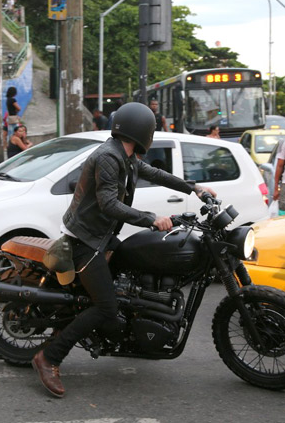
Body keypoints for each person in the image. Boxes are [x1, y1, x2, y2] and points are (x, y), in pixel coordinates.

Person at [30, 102, 217, 398]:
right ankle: (49, 358)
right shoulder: (108, 157)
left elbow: (155, 174)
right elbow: (108, 203)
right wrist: (151, 219)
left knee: (132, 268)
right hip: (84, 240)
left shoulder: (124, 155)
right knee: (106, 306)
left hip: (100, 235)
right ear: (143, 131)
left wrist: (193, 188)